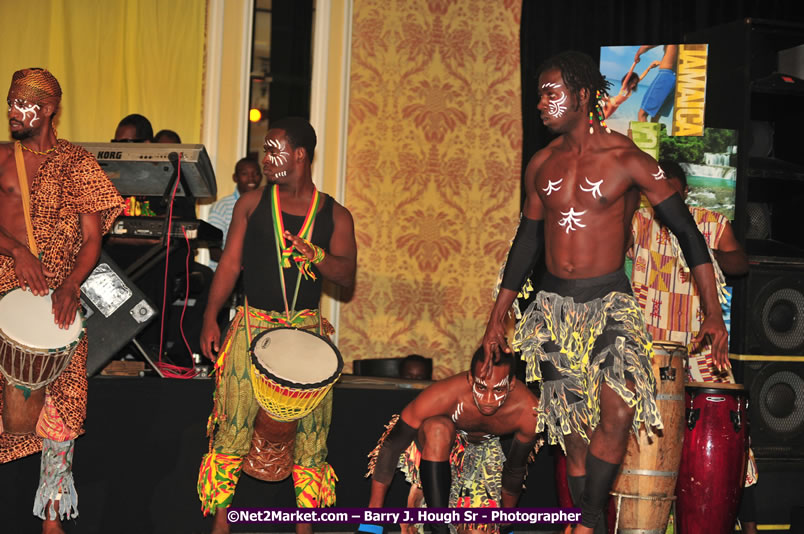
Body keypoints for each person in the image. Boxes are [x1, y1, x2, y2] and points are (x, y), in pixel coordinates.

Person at [481, 51, 729, 534]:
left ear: (582, 95)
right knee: (573, 432)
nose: (541, 104)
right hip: (552, 309)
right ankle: (587, 521)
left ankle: (588, 520)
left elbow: (688, 233)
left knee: (618, 410)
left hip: (609, 302)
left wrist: (712, 311)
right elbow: (526, 243)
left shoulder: (628, 160)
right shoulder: (541, 164)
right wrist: (498, 315)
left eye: (551, 93)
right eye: (539, 95)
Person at [197, 117, 357, 534]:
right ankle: (221, 526)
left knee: (312, 435)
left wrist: (316, 255)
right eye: (265, 150)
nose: (265, 159)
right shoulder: (251, 204)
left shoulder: (336, 214)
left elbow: (346, 276)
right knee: (231, 427)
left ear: (299, 155)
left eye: (274, 150)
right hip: (252, 325)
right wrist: (211, 316)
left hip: (306, 331)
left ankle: (305, 527)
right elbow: (230, 264)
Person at [0, 68, 124, 533]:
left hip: (57, 297)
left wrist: (71, 285)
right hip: (3, 285)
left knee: (62, 411)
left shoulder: (78, 164)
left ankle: (52, 520)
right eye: (10, 102)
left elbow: (92, 239)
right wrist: (17, 252)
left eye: (22, 103)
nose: (13, 111)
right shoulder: (1, 158)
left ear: (49, 109)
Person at [629, 160, 758, 534]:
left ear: (684, 192)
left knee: (731, 435)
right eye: (655, 191)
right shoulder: (639, 221)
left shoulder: (710, 222)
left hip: (701, 345)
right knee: (644, 440)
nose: (662, 198)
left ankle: (749, 525)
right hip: (651, 348)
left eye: (670, 190)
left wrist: (707, 253)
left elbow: (740, 264)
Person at [361, 348, 541, 534]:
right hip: (434, 449)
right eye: (481, 388)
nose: (488, 399)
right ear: (470, 379)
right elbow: (393, 444)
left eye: (498, 389)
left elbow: (515, 469)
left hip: (483, 459)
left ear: (511, 384)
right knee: (438, 428)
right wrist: (372, 522)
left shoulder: (529, 411)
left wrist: (506, 523)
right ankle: (439, 527)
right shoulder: (444, 394)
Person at [206, 157, 263, 270]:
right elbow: (214, 251)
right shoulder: (222, 207)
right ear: (235, 178)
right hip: (226, 271)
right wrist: (242, 266)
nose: (251, 178)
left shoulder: (266, 205)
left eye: (255, 174)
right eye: (245, 174)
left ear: (261, 177)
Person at [635, 45, 678, 123]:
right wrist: (661, 62)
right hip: (676, 80)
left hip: (665, 76)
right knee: (655, 117)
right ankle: (653, 131)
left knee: (642, 114)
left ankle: (643, 132)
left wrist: (638, 54)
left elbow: (646, 46)